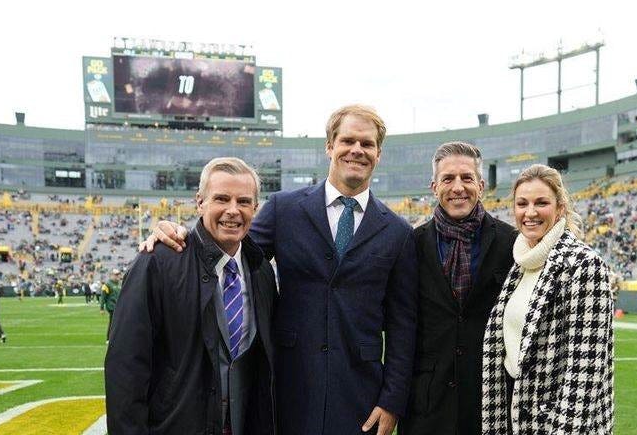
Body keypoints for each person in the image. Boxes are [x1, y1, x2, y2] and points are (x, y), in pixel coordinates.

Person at [143, 104, 418, 435]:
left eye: (367, 143)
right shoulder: (285, 209)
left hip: (360, 394)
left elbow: (403, 325)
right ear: (330, 145)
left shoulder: (398, 232)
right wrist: (179, 231)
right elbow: (228, 243)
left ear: (378, 153)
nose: (356, 150)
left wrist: (392, 401)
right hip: (287, 389)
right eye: (347, 140)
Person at [106, 157, 277, 434]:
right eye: (221, 199)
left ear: (255, 208)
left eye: (243, 202)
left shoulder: (261, 273)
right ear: (200, 203)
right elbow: (126, 367)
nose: (233, 210)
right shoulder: (157, 263)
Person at [481, 164, 613, 434]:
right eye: (522, 203)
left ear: (560, 207)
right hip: (514, 410)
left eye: (541, 203)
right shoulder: (521, 262)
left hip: (557, 421)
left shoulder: (583, 264)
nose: (530, 213)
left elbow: (585, 372)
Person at [399, 142, 515, 435]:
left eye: (466, 178)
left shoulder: (511, 243)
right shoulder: (412, 244)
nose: (458, 187)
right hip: (427, 405)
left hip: (492, 402)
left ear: (481, 184)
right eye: (448, 179)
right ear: (434, 186)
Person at [99, 269, 121, 343]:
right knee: (112, 323)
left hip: (119, 307)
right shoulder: (107, 284)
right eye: (116, 275)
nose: (117, 276)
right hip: (112, 306)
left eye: (118, 274)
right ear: (111, 275)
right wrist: (101, 308)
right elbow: (103, 297)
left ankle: (116, 337)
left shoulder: (119, 284)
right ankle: (109, 338)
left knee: (119, 323)